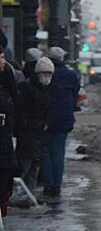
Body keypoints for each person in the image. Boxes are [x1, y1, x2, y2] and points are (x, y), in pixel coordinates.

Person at [10, 57, 54, 207]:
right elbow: (20, 111)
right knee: (24, 167)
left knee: (34, 168)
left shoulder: (44, 89)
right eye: (44, 74)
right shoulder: (27, 89)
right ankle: (14, 197)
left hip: (38, 135)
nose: (47, 77)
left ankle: (29, 196)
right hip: (28, 135)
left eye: (49, 74)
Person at [41, 47, 80, 197]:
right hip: (64, 119)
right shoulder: (70, 75)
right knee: (58, 153)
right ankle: (56, 185)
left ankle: (48, 184)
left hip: (45, 119)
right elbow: (76, 92)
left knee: (45, 152)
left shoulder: (45, 75)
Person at [0, 45, 17, 219]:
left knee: (6, 176)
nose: (3, 60)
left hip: (5, 140)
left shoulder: (7, 76)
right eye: (0, 56)